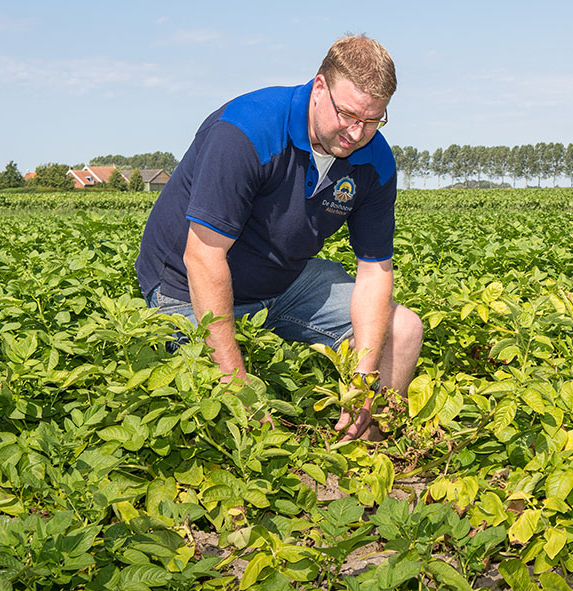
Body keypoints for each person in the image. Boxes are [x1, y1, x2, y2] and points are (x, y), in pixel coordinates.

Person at [135, 34, 422, 440]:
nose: (357, 133)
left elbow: (375, 271)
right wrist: (237, 386)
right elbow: (203, 257)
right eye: (348, 115)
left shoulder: (374, 160)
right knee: (215, 412)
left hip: (284, 280)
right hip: (184, 289)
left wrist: (363, 378)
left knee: (404, 330)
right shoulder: (246, 131)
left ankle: (366, 444)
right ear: (319, 87)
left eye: (373, 120)